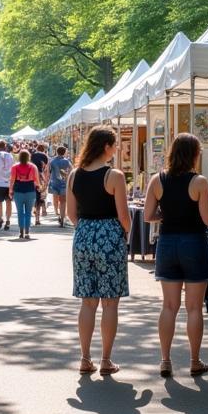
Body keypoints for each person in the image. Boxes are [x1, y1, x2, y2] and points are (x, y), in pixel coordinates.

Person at [144, 133, 208, 378]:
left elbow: (147, 216)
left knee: (169, 306)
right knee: (194, 307)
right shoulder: (199, 182)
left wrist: (166, 216)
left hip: (167, 243)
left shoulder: (158, 180)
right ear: (194, 154)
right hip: (194, 243)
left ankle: (165, 359)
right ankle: (194, 360)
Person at [67, 126, 131, 375]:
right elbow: (124, 216)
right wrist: (124, 233)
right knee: (110, 303)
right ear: (106, 146)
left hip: (83, 236)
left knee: (88, 301)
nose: (115, 150)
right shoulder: (114, 176)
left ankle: (84, 357)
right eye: (114, 145)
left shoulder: (75, 175)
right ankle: (106, 359)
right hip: (110, 237)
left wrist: (87, 229)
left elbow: (71, 214)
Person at [9, 149, 40, 240]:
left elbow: (12, 180)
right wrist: (38, 187)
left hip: (18, 190)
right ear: (28, 157)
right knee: (28, 212)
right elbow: (36, 180)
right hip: (30, 189)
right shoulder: (33, 167)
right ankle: (27, 231)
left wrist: (10, 190)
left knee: (20, 212)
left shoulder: (15, 167)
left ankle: (21, 231)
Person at [48, 145, 73, 226]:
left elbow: (49, 171)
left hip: (54, 182)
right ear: (64, 152)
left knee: (55, 199)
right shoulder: (67, 161)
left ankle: (56, 212)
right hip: (64, 183)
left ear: (57, 152)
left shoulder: (52, 161)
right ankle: (62, 218)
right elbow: (71, 171)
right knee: (63, 201)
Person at [31, 142, 50, 225]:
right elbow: (46, 170)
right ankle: (38, 218)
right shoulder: (45, 156)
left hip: (31, 179)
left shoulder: (32, 155)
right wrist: (46, 180)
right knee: (40, 196)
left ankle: (35, 211)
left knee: (34, 196)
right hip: (41, 178)